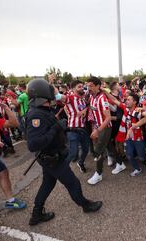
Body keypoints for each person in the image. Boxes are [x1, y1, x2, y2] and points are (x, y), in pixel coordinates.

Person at [25, 78, 102, 226]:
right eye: (50, 90)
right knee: (73, 183)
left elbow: (50, 130)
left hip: (52, 156)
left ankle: (36, 214)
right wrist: (57, 127)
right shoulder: (36, 114)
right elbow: (33, 144)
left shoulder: (42, 110)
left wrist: (66, 128)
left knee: (48, 184)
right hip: (51, 158)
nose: (54, 93)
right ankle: (85, 205)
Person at [86, 76, 112, 185]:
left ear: (97, 86)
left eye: (91, 86)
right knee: (108, 146)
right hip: (97, 127)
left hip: (104, 128)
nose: (88, 88)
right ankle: (120, 163)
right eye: (87, 86)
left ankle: (98, 174)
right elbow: (93, 111)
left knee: (98, 150)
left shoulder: (102, 98)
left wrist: (97, 130)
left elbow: (108, 118)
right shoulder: (92, 97)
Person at [62, 80, 89, 172]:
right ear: (73, 89)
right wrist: (50, 83)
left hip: (83, 129)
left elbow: (88, 106)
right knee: (73, 153)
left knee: (85, 150)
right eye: (79, 87)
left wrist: (85, 110)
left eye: (82, 86)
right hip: (73, 130)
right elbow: (58, 97)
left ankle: (81, 163)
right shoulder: (70, 97)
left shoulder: (83, 98)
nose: (82, 88)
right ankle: (62, 170)